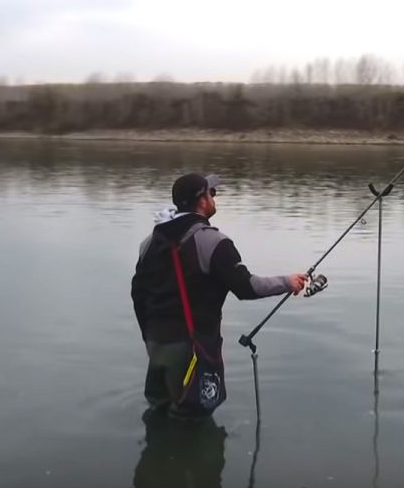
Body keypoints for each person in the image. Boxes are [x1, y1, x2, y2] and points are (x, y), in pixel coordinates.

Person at [131, 172, 307, 416]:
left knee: (160, 412)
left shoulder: (149, 242)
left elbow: (137, 294)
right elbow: (247, 287)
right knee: (192, 416)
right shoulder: (214, 242)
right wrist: (287, 282)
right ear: (201, 200)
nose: (214, 197)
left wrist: (148, 335)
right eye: (211, 193)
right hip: (191, 347)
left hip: (156, 343)